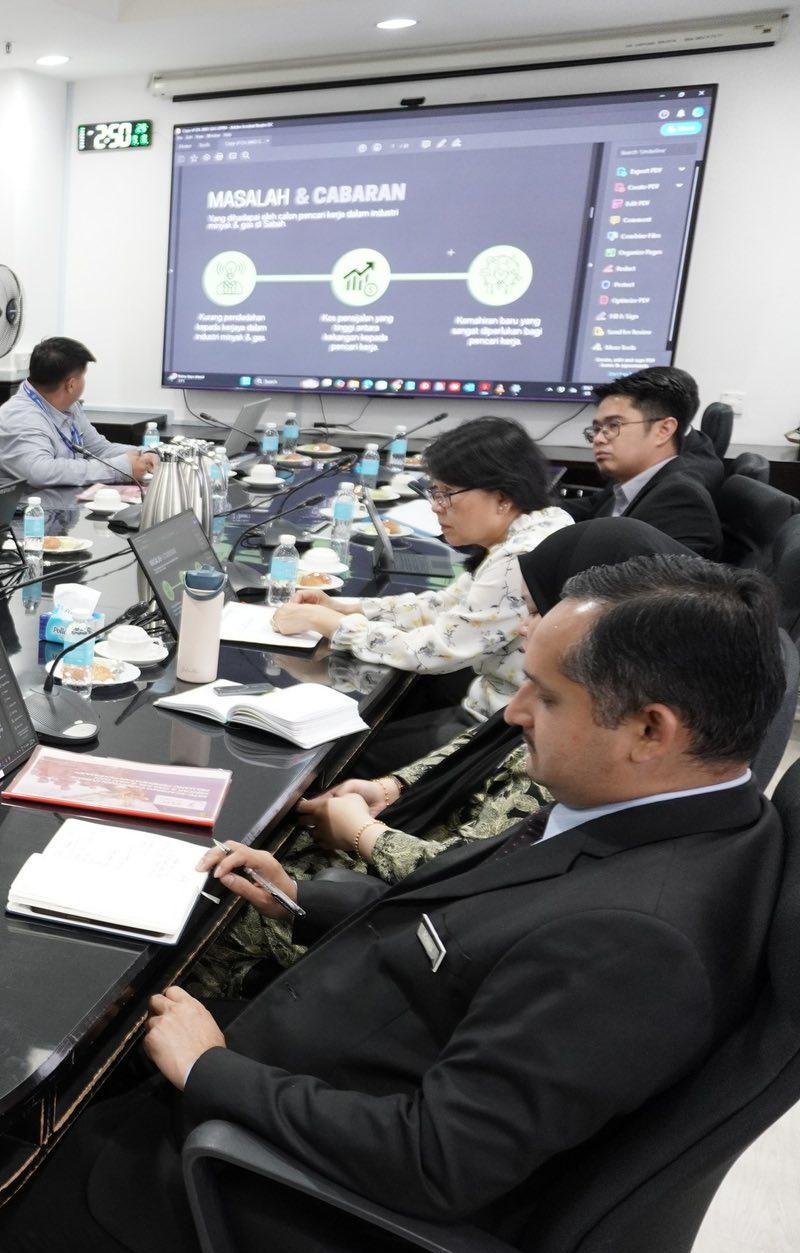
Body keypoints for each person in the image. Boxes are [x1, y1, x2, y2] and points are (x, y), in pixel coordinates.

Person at [0, 554, 787, 1253]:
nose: (514, 713)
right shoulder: (658, 815)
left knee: (15, 1219)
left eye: (547, 695)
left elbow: (435, 1162)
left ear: (651, 730)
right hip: (333, 1075)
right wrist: (303, 901)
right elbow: (479, 934)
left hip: (349, 1230)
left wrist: (210, 1071)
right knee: (99, 1094)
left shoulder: (636, 938)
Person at [189, 517, 689, 1000]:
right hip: (395, 854)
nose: (522, 627)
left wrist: (360, 834)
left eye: (538, 610)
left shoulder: (583, 752)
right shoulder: (573, 708)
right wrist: (391, 787)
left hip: (392, 919)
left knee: (210, 908)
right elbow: (479, 745)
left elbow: (474, 878)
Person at [270, 416, 573, 762]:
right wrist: (346, 608)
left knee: (331, 757)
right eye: (434, 492)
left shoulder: (517, 559)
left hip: (500, 731)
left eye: (446, 494)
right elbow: (446, 605)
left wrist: (329, 624)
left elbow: (434, 651)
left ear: (502, 497)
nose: (435, 506)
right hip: (499, 707)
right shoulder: (539, 525)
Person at [0, 336, 159, 489]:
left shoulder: (68, 406)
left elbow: (99, 449)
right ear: (71, 385)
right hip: (6, 514)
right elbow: (41, 472)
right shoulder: (20, 416)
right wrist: (120, 469)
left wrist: (144, 453)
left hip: (49, 501)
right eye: (83, 376)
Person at [574, 365, 722, 558]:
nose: (599, 439)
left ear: (663, 430)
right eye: (597, 429)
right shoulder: (632, 477)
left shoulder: (679, 500)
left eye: (614, 425)